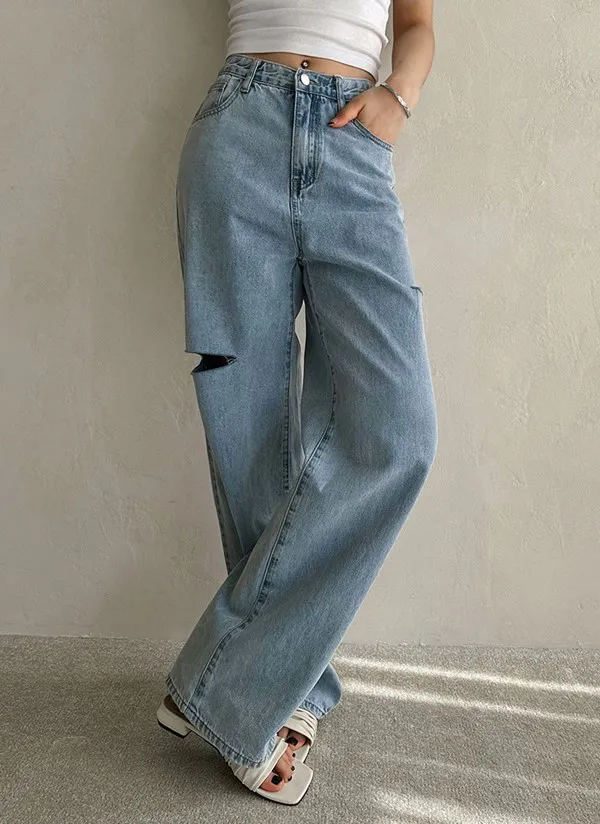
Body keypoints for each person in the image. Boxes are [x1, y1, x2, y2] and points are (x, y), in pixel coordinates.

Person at [157, 0, 437, 806]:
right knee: (250, 437)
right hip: (238, 127)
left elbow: (418, 26)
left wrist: (400, 95)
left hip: (353, 142)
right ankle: (280, 696)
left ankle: (217, 681)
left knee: (400, 432)